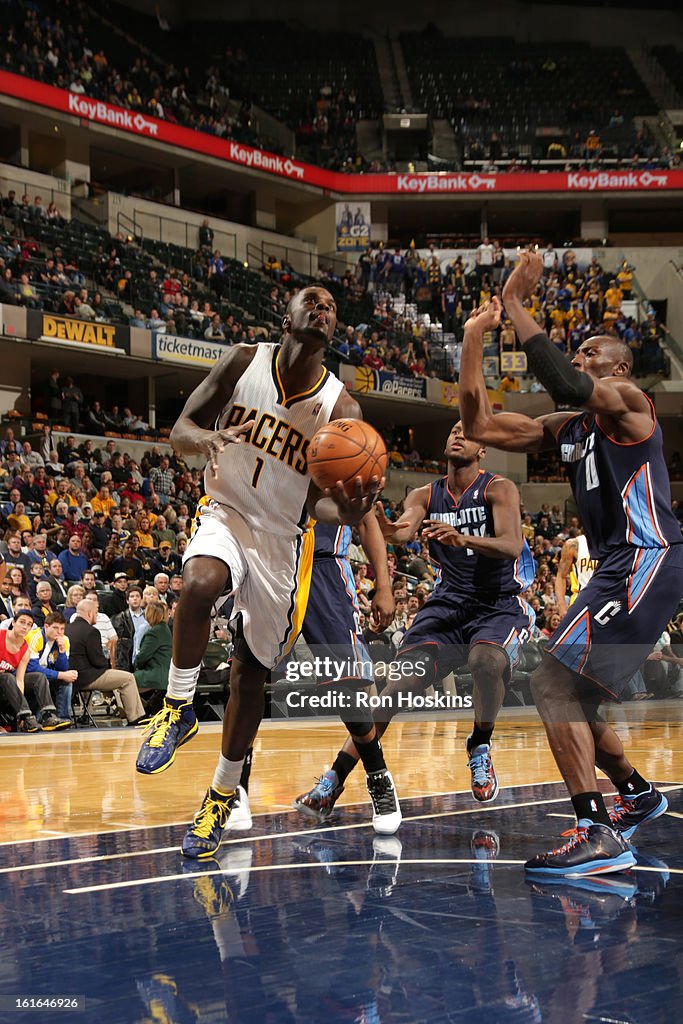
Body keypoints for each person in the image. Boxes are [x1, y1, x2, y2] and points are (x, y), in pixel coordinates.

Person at [135, 286, 383, 859]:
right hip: (225, 509)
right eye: (312, 300)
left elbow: (318, 508)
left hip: (283, 543)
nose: (322, 309)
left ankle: (221, 797)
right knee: (198, 583)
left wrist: (351, 506)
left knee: (251, 671)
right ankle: (177, 709)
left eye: (331, 308)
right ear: (287, 315)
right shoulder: (243, 361)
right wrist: (207, 438)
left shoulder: (341, 411)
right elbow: (180, 430)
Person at [459, 252, 682, 876]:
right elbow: (476, 423)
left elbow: (566, 383)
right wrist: (476, 338)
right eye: (578, 351)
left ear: (620, 367)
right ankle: (635, 792)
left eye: (590, 351)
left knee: (550, 683)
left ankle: (596, 829)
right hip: (620, 565)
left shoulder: (630, 403)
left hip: (647, 557)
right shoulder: (568, 429)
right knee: (572, 693)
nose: (580, 358)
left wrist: (519, 305)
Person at [296, 421, 535, 824]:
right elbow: (400, 530)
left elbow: (511, 544)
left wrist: (463, 539)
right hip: (446, 607)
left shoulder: (499, 488)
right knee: (395, 690)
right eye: (453, 428)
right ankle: (333, 780)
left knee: (486, 663)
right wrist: (377, 516)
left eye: (468, 432)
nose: (457, 434)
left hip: (497, 605)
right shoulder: (426, 494)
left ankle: (479, 744)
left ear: (482, 451)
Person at [291, 516, 394, 827]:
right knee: (247, 671)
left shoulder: (348, 469)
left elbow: (367, 522)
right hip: (273, 560)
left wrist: (384, 585)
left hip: (323, 567)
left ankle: (377, 778)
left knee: (346, 685)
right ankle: (230, 790)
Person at [65, 599, 147, 725]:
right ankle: (135, 718)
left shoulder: (67, 629)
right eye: (96, 612)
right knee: (128, 678)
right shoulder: (91, 631)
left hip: (72, 677)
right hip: (88, 677)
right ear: (90, 613)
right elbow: (99, 662)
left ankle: (126, 712)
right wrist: (107, 664)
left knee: (120, 678)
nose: (97, 616)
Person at [0, 610, 71, 731]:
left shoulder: (25, 648)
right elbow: (32, 667)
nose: (25, 627)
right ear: (13, 622)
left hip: (9, 682)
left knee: (38, 677)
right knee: (7, 677)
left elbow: (20, 679)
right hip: (5, 679)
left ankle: (48, 716)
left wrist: (19, 701)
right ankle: (27, 717)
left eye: (29, 624)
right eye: (22, 622)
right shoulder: (1, 635)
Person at [27, 612, 77, 722]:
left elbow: (63, 668)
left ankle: (63, 719)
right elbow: (32, 668)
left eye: (62, 629)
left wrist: (62, 650)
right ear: (46, 626)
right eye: (55, 628)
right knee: (43, 678)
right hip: (30, 676)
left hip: (48, 675)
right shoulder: (35, 637)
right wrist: (61, 675)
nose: (59, 632)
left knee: (67, 681)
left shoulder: (64, 640)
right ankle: (42, 719)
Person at [554, 532, 599, 618]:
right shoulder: (573, 545)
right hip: (581, 600)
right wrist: (562, 606)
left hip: (606, 599)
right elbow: (561, 576)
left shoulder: (614, 543)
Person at [134, 602, 172, 693]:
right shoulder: (164, 628)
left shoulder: (154, 632)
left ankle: (135, 707)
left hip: (156, 675)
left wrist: (136, 665)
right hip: (163, 674)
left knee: (123, 682)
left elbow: (142, 657)